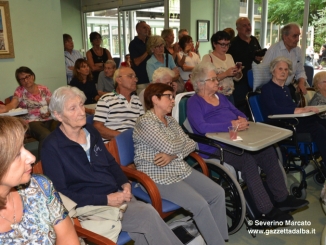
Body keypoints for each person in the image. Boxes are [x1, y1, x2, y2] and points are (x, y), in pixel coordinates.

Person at [41, 86, 184, 245]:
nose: (82, 112)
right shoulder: (51, 147)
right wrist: (105, 199)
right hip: (88, 206)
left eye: (81, 105)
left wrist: (123, 182)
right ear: (58, 115)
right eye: (72, 108)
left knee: (145, 227)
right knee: (148, 216)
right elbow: (61, 194)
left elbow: (109, 162)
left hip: (114, 193)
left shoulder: (90, 131)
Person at [187, 62, 309, 222]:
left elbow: (239, 113)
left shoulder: (221, 98)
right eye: (213, 79)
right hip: (214, 146)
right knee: (247, 162)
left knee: (267, 152)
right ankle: (266, 210)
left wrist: (241, 120)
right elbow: (202, 127)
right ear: (200, 83)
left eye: (216, 78)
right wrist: (231, 124)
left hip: (237, 140)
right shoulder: (194, 102)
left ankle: (282, 199)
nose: (217, 82)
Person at [133, 83, 228, 245]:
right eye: (168, 96)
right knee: (200, 205)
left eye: (172, 96)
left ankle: (218, 239)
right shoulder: (145, 122)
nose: (173, 100)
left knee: (218, 193)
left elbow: (191, 143)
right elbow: (172, 145)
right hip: (158, 174)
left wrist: (172, 155)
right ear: (155, 99)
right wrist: (177, 148)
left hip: (178, 167)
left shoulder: (169, 120)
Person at [0, 116, 79, 244]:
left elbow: (68, 239)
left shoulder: (39, 186)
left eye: (24, 147)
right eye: (16, 154)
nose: (32, 157)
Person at [261, 56, 326, 165]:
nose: (283, 72)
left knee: (323, 122)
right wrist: (299, 110)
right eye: (280, 69)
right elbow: (274, 110)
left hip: (294, 120)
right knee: (319, 129)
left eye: (286, 70)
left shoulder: (286, 89)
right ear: (273, 71)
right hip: (281, 124)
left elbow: (292, 106)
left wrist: (303, 110)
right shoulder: (267, 88)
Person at [0, 66, 54, 159]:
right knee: (46, 135)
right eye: (22, 79)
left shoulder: (44, 89)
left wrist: (49, 112)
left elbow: (53, 105)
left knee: (63, 129)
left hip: (49, 118)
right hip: (31, 121)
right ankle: (42, 164)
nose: (25, 80)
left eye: (27, 76)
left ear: (32, 76)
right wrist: (4, 108)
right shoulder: (20, 91)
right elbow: (12, 105)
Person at [93, 66, 144, 143]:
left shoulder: (136, 100)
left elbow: (143, 126)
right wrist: (124, 137)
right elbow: (98, 127)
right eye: (130, 76)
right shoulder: (106, 99)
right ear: (119, 80)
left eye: (135, 77)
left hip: (135, 145)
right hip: (114, 145)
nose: (135, 80)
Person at [227, 17, 264, 116]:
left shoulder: (254, 40)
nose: (248, 27)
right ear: (238, 29)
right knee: (241, 107)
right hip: (240, 81)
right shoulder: (233, 43)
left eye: (249, 25)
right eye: (244, 26)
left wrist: (259, 58)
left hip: (255, 78)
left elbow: (258, 56)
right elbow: (229, 61)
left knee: (254, 105)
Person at [261, 23, 307, 96]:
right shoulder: (273, 50)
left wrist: (301, 83)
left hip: (288, 87)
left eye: (298, 36)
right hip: (273, 89)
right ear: (285, 37)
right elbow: (263, 72)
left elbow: (300, 71)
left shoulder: (298, 51)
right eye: (295, 36)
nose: (298, 39)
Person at [202, 31, 242, 104]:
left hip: (230, 94)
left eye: (227, 44)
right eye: (222, 45)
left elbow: (236, 79)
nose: (226, 48)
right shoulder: (208, 58)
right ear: (214, 44)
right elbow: (206, 80)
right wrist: (226, 74)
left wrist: (237, 73)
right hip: (215, 95)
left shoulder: (229, 56)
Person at [129, 21, 151, 95]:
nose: (146, 29)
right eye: (144, 27)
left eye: (147, 27)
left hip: (152, 78)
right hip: (142, 79)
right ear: (138, 30)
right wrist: (147, 51)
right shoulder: (133, 44)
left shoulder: (150, 41)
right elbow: (136, 62)